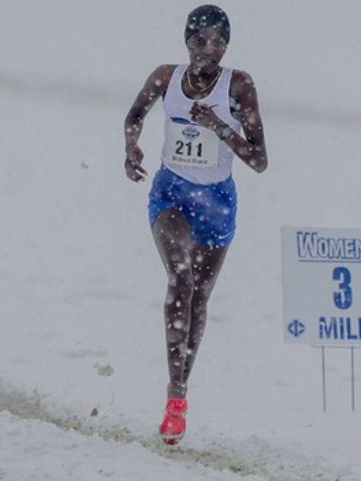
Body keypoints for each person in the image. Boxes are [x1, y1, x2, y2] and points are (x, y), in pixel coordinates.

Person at [123, 5, 267, 445]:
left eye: (219, 42)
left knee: (199, 297)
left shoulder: (237, 85)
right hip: (172, 195)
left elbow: (259, 160)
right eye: (201, 40)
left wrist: (220, 128)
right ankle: (175, 394)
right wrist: (131, 150)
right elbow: (134, 117)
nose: (210, 49)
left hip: (218, 204)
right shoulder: (166, 78)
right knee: (180, 276)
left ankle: (179, 396)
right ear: (186, 42)